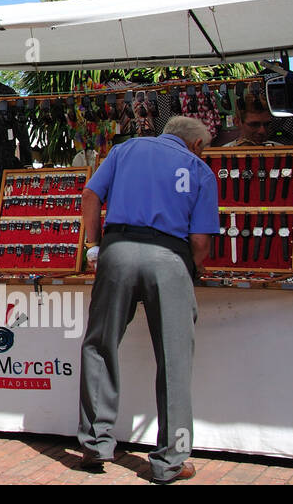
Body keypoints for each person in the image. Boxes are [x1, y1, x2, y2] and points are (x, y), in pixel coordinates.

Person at [75, 116, 219, 484]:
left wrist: (94, 247)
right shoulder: (200, 169)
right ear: (197, 144)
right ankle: (170, 462)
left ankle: (95, 444)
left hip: (118, 249)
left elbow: (90, 195)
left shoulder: (125, 149)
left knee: (99, 345)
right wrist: (190, 268)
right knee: (174, 360)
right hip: (169, 257)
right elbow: (201, 245)